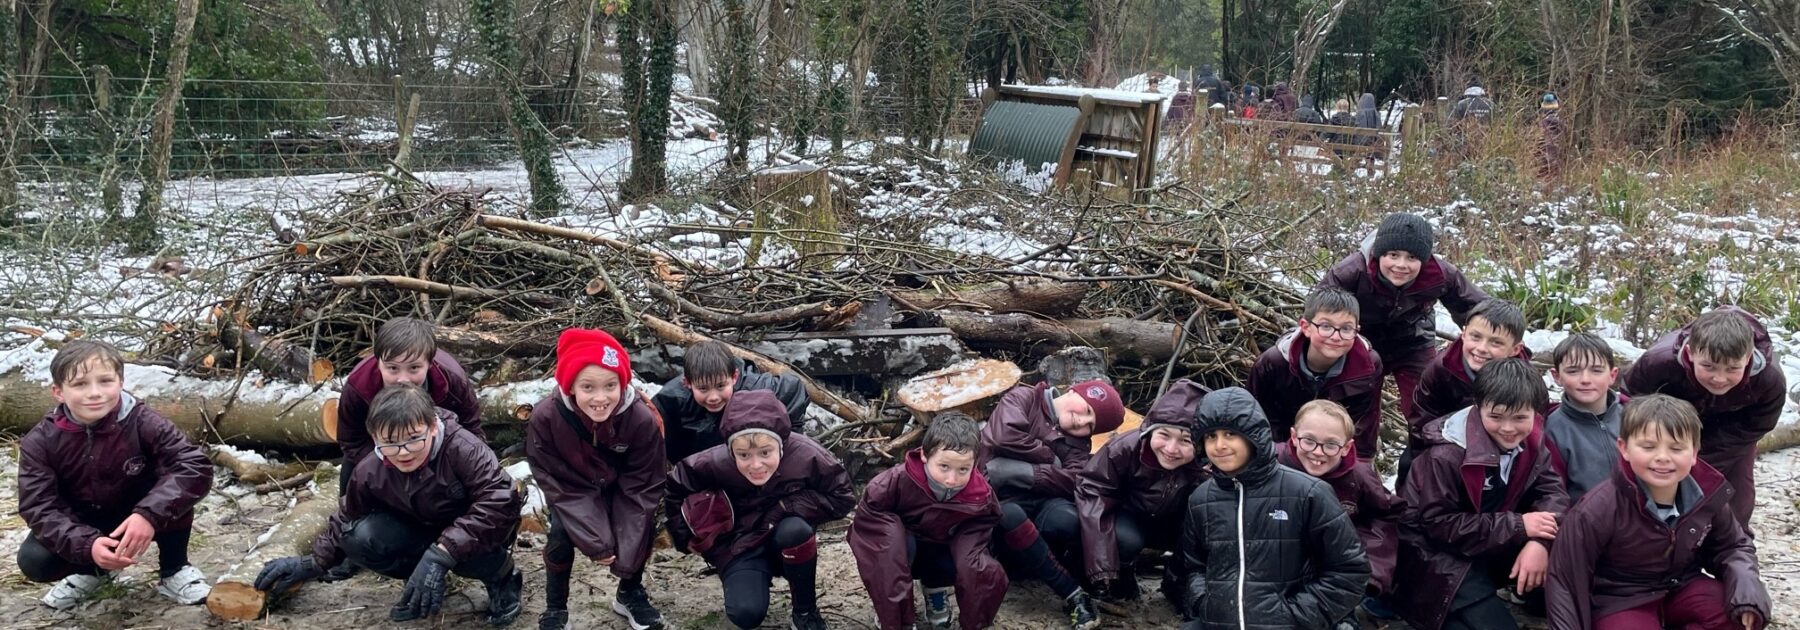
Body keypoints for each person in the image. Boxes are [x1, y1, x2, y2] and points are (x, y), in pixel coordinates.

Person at [255, 384, 524, 625]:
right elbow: (347, 514)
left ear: (431, 427)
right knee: (358, 536)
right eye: (391, 443)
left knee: (471, 549)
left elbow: (499, 499)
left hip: (475, 534)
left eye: (413, 439)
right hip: (419, 530)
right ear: (375, 438)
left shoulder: (464, 448)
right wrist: (314, 561)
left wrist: (442, 553)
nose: (403, 452)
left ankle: (503, 577)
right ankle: (421, 584)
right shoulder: (370, 469)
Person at [852, 412, 1101, 630]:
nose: (951, 479)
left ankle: (936, 591)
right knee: (893, 543)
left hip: (946, 547)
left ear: (975, 464)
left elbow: (979, 533)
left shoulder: (980, 493)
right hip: (905, 550)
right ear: (925, 455)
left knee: (974, 564)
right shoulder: (892, 483)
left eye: (962, 470)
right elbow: (869, 526)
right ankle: (893, 612)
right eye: (944, 467)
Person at [17, 340, 214, 610]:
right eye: (80, 384)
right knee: (35, 560)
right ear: (58, 392)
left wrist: (148, 514)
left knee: (174, 488)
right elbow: (38, 506)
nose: (95, 393)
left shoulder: (143, 421)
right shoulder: (39, 442)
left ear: (120, 382)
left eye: (105, 381)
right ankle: (93, 571)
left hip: (143, 515)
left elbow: (194, 465)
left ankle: (174, 568)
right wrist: (88, 545)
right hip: (88, 524)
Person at [1545, 395, 1770, 630]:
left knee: (1733, 614)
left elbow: (1733, 546)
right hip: (1621, 599)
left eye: (1676, 448)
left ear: (1694, 452)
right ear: (1624, 448)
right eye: (1648, 447)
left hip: (1683, 586)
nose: (1662, 457)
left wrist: (1748, 593)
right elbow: (1565, 580)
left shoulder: (1707, 495)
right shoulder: (1596, 509)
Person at [1394, 358, 1569, 630]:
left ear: (1535, 413)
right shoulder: (1446, 454)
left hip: (1486, 544)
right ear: (1477, 407)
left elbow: (1553, 491)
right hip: (1433, 557)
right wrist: (1519, 526)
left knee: (1560, 580)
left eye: (1520, 417)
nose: (1509, 428)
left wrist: (1540, 543)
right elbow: (1437, 524)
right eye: (1496, 416)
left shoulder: (1533, 441)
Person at [1179, 389, 1369, 629]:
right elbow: (1193, 566)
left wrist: (1296, 616)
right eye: (1210, 436)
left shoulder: (1308, 492)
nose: (1219, 445)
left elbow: (1349, 571)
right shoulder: (1200, 498)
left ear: (1253, 435)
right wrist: (1203, 604)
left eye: (1230, 434)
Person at [665, 390, 856, 630]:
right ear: (730, 449)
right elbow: (674, 486)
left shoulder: (807, 455)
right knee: (746, 614)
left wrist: (787, 506)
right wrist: (688, 537)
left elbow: (843, 497)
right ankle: (751, 581)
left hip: (783, 537)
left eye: (765, 453)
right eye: (743, 455)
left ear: (781, 443)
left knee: (796, 530)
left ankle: (805, 612)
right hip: (738, 546)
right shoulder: (710, 463)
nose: (756, 465)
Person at [526, 328, 667, 630]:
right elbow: (553, 478)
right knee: (561, 533)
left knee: (641, 525)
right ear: (571, 386)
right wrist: (596, 542)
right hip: (571, 490)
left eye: (610, 385)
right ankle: (555, 608)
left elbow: (644, 486)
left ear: (623, 383)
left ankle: (630, 592)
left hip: (623, 489)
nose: (600, 398)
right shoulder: (546, 418)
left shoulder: (642, 419)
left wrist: (625, 555)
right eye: (588, 387)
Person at [1319, 212, 1490, 426]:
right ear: (1379, 254)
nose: (1401, 265)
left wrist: (1486, 343)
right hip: (1361, 341)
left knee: (1426, 401)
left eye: (1412, 258)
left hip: (1414, 339)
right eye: (1393, 255)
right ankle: (1361, 455)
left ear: (1424, 260)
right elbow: (1319, 314)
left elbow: (1481, 310)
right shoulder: (1350, 272)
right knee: (1360, 407)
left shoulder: (1441, 274)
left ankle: (1426, 452)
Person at [1621, 306, 1785, 528]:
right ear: (1690, 354)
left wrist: (1698, 460)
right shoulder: (1658, 362)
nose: (1719, 378)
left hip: (1731, 435)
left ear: (1747, 359)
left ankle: (1734, 546)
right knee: (1652, 485)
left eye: (1731, 369)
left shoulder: (1769, 379)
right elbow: (1630, 400)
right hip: (1667, 428)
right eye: (1709, 366)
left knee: (1735, 495)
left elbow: (1758, 424)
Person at [1076, 379, 1211, 608]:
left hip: (1174, 524)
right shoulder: (1125, 448)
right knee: (1127, 540)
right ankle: (1122, 572)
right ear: (1150, 430)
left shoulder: (1207, 467)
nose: (1170, 449)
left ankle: (1177, 583)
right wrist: (1102, 567)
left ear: (1200, 445)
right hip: (1129, 516)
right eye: (1164, 435)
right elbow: (1092, 490)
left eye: (1185, 441)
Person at [1276, 400, 1405, 619]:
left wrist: (1372, 570)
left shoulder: (1359, 476)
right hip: (1278, 561)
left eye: (1330, 445)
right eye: (1309, 441)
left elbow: (1385, 517)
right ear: (1294, 437)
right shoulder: (1271, 463)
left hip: (1334, 566)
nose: (1318, 453)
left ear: (1346, 447)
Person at [980, 378, 1125, 565]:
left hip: (1034, 503)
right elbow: (1003, 437)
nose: (1081, 421)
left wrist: (1026, 472)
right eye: (1088, 411)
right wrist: (1051, 458)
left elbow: (1075, 479)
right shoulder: (1024, 397)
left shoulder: (1078, 446)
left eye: (1090, 426)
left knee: (1065, 519)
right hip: (992, 496)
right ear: (1073, 391)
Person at [335, 317, 483, 492]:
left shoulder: (453, 380)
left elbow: (472, 431)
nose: (403, 379)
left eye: (414, 368)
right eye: (393, 368)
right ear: (378, 363)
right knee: (353, 474)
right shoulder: (358, 386)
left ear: (429, 363)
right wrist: (390, 464)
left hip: (438, 453)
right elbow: (351, 441)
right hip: (380, 452)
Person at [1247, 287, 1384, 457]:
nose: (1336, 336)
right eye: (1326, 326)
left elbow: (1365, 422)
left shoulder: (1368, 365)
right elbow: (1256, 418)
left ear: (1357, 330)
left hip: (1334, 450)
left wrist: (1360, 462)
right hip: (1280, 449)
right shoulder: (1273, 363)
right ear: (1306, 327)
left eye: (1346, 329)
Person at [655, 339, 810, 464]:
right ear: (687, 383)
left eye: (720, 386)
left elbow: (794, 388)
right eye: (703, 389)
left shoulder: (755, 388)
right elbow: (650, 432)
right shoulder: (672, 398)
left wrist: (784, 441)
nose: (713, 397)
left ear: (734, 377)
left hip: (752, 458)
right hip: (703, 461)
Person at [1407, 298, 1531, 447]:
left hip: (1504, 443)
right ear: (1463, 334)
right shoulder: (1440, 370)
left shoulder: (1526, 379)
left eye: (1496, 342)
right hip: (1449, 442)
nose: (1482, 348)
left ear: (1515, 349)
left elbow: (1533, 427)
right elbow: (1421, 422)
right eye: (1476, 337)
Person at [1543, 332, 1625, 502]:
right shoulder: (1552, 430)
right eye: (1573, 371)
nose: (1585, 379)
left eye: (1596, 370)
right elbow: (1553, 494)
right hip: (1585, 522)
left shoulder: (1634, 418)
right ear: (1557, 376)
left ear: (1612, 375)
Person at [1535, 93, 1566, 180]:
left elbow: (1538, 140)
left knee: (1543, 177)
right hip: (1557, 155)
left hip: (1544, 155)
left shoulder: (1542, 124)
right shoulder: (1562, 123)